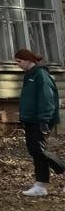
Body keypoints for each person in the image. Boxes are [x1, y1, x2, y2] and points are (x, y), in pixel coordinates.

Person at [15, 48, 64, 197]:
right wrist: (24, 118)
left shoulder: (41, 75)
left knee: (38, 150)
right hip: (31, 119)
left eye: (19, 61)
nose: (18, 65)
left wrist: (44, 120)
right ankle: (41, 186)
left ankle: (61, 169)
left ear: (28, 60)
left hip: (41, 119)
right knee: (34, 151)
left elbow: (47, 99)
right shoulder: (29, 75)